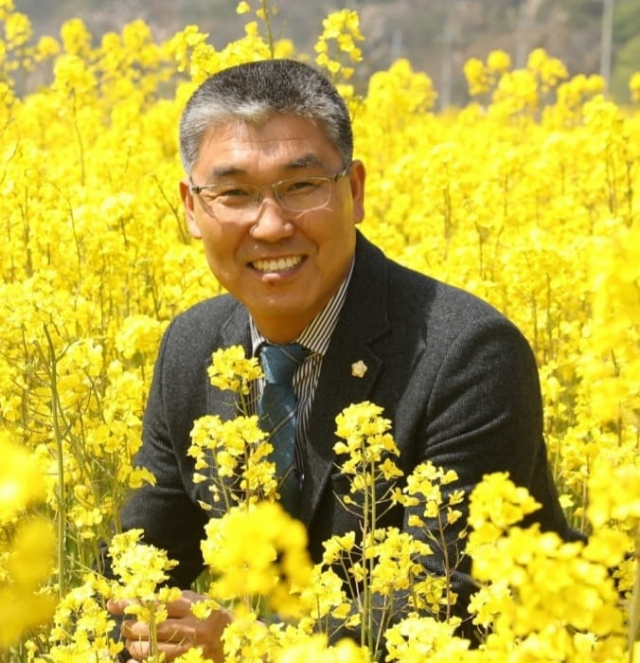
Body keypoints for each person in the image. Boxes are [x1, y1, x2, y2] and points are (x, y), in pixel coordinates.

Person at [108, 59, 582, 661]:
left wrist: (249, 647)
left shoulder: (468, 355)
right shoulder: (192, 346)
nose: (271, 224)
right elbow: (137, 563)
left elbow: (450, 602)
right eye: (233, 193)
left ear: (354, 191)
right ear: (192, 210)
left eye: (301, 186)